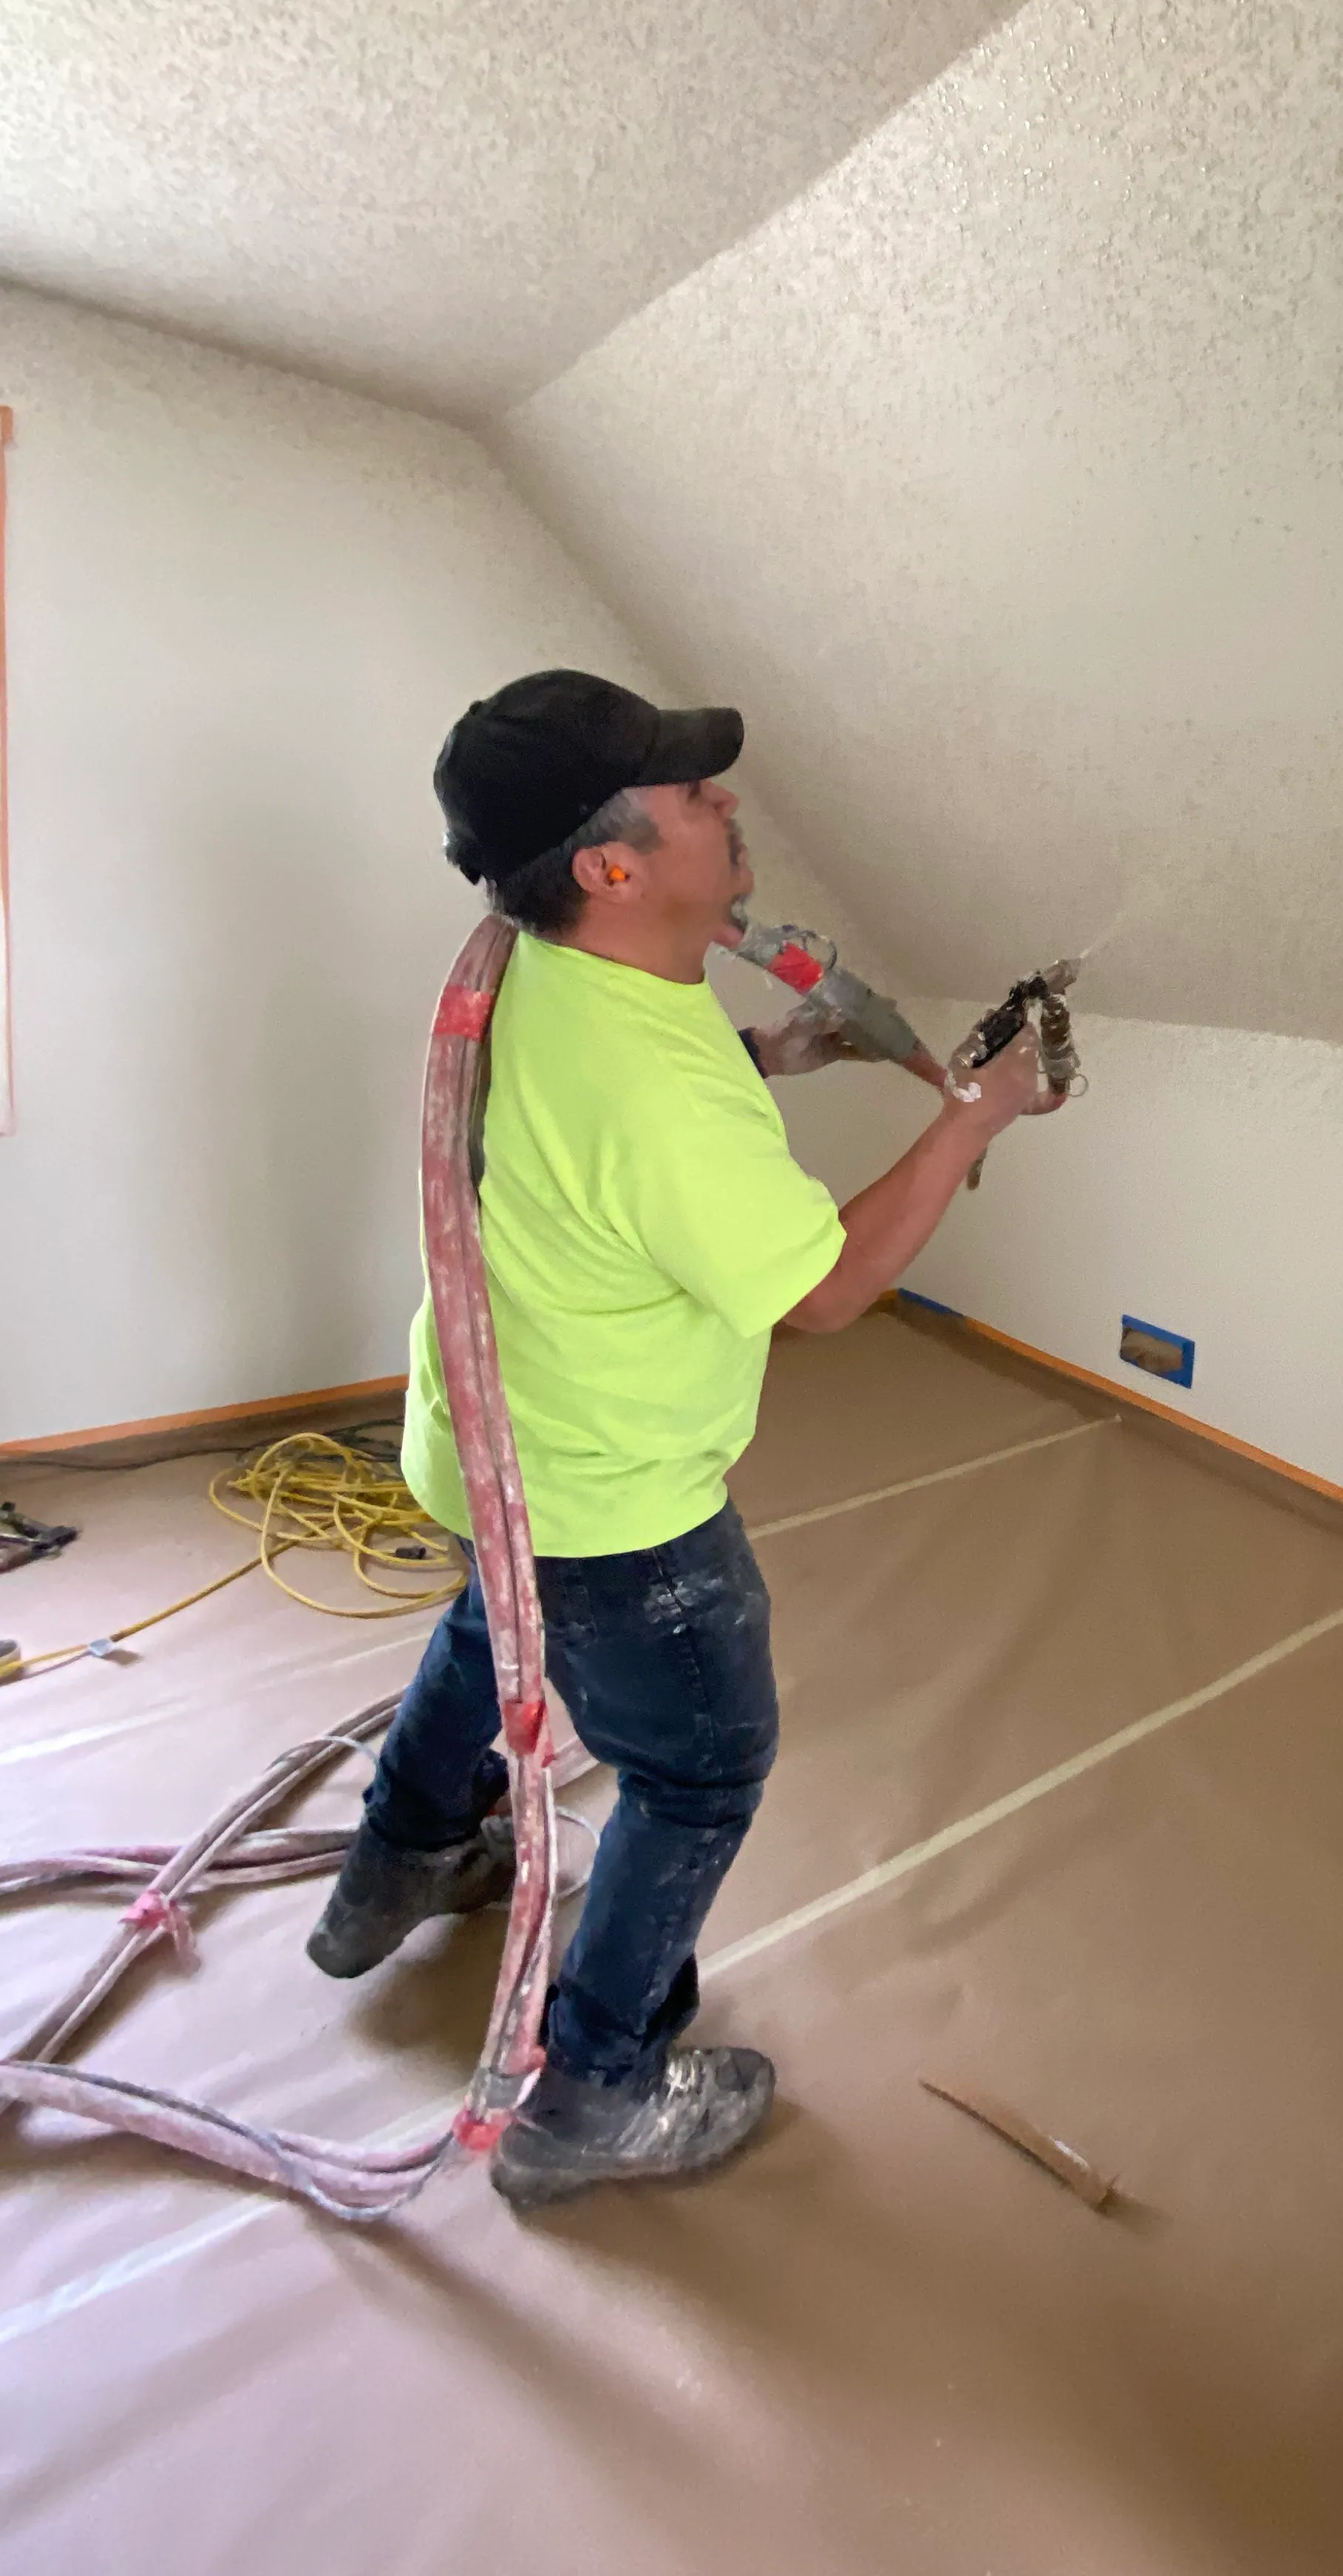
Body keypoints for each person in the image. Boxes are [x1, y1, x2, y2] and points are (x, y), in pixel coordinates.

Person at [305, 669, 1061, 2209]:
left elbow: (594, 1133)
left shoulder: (530, 964)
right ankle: (597, 2091)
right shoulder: (656, 1085)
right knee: (703, 1771)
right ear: (612, 866)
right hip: (607, 1495)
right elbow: (832, 1288)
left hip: (485, 1440)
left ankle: (396, 1866)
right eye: (697, 797)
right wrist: (974, 1116)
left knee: (487, 1623)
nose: (730, 811)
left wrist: (777, 1061)